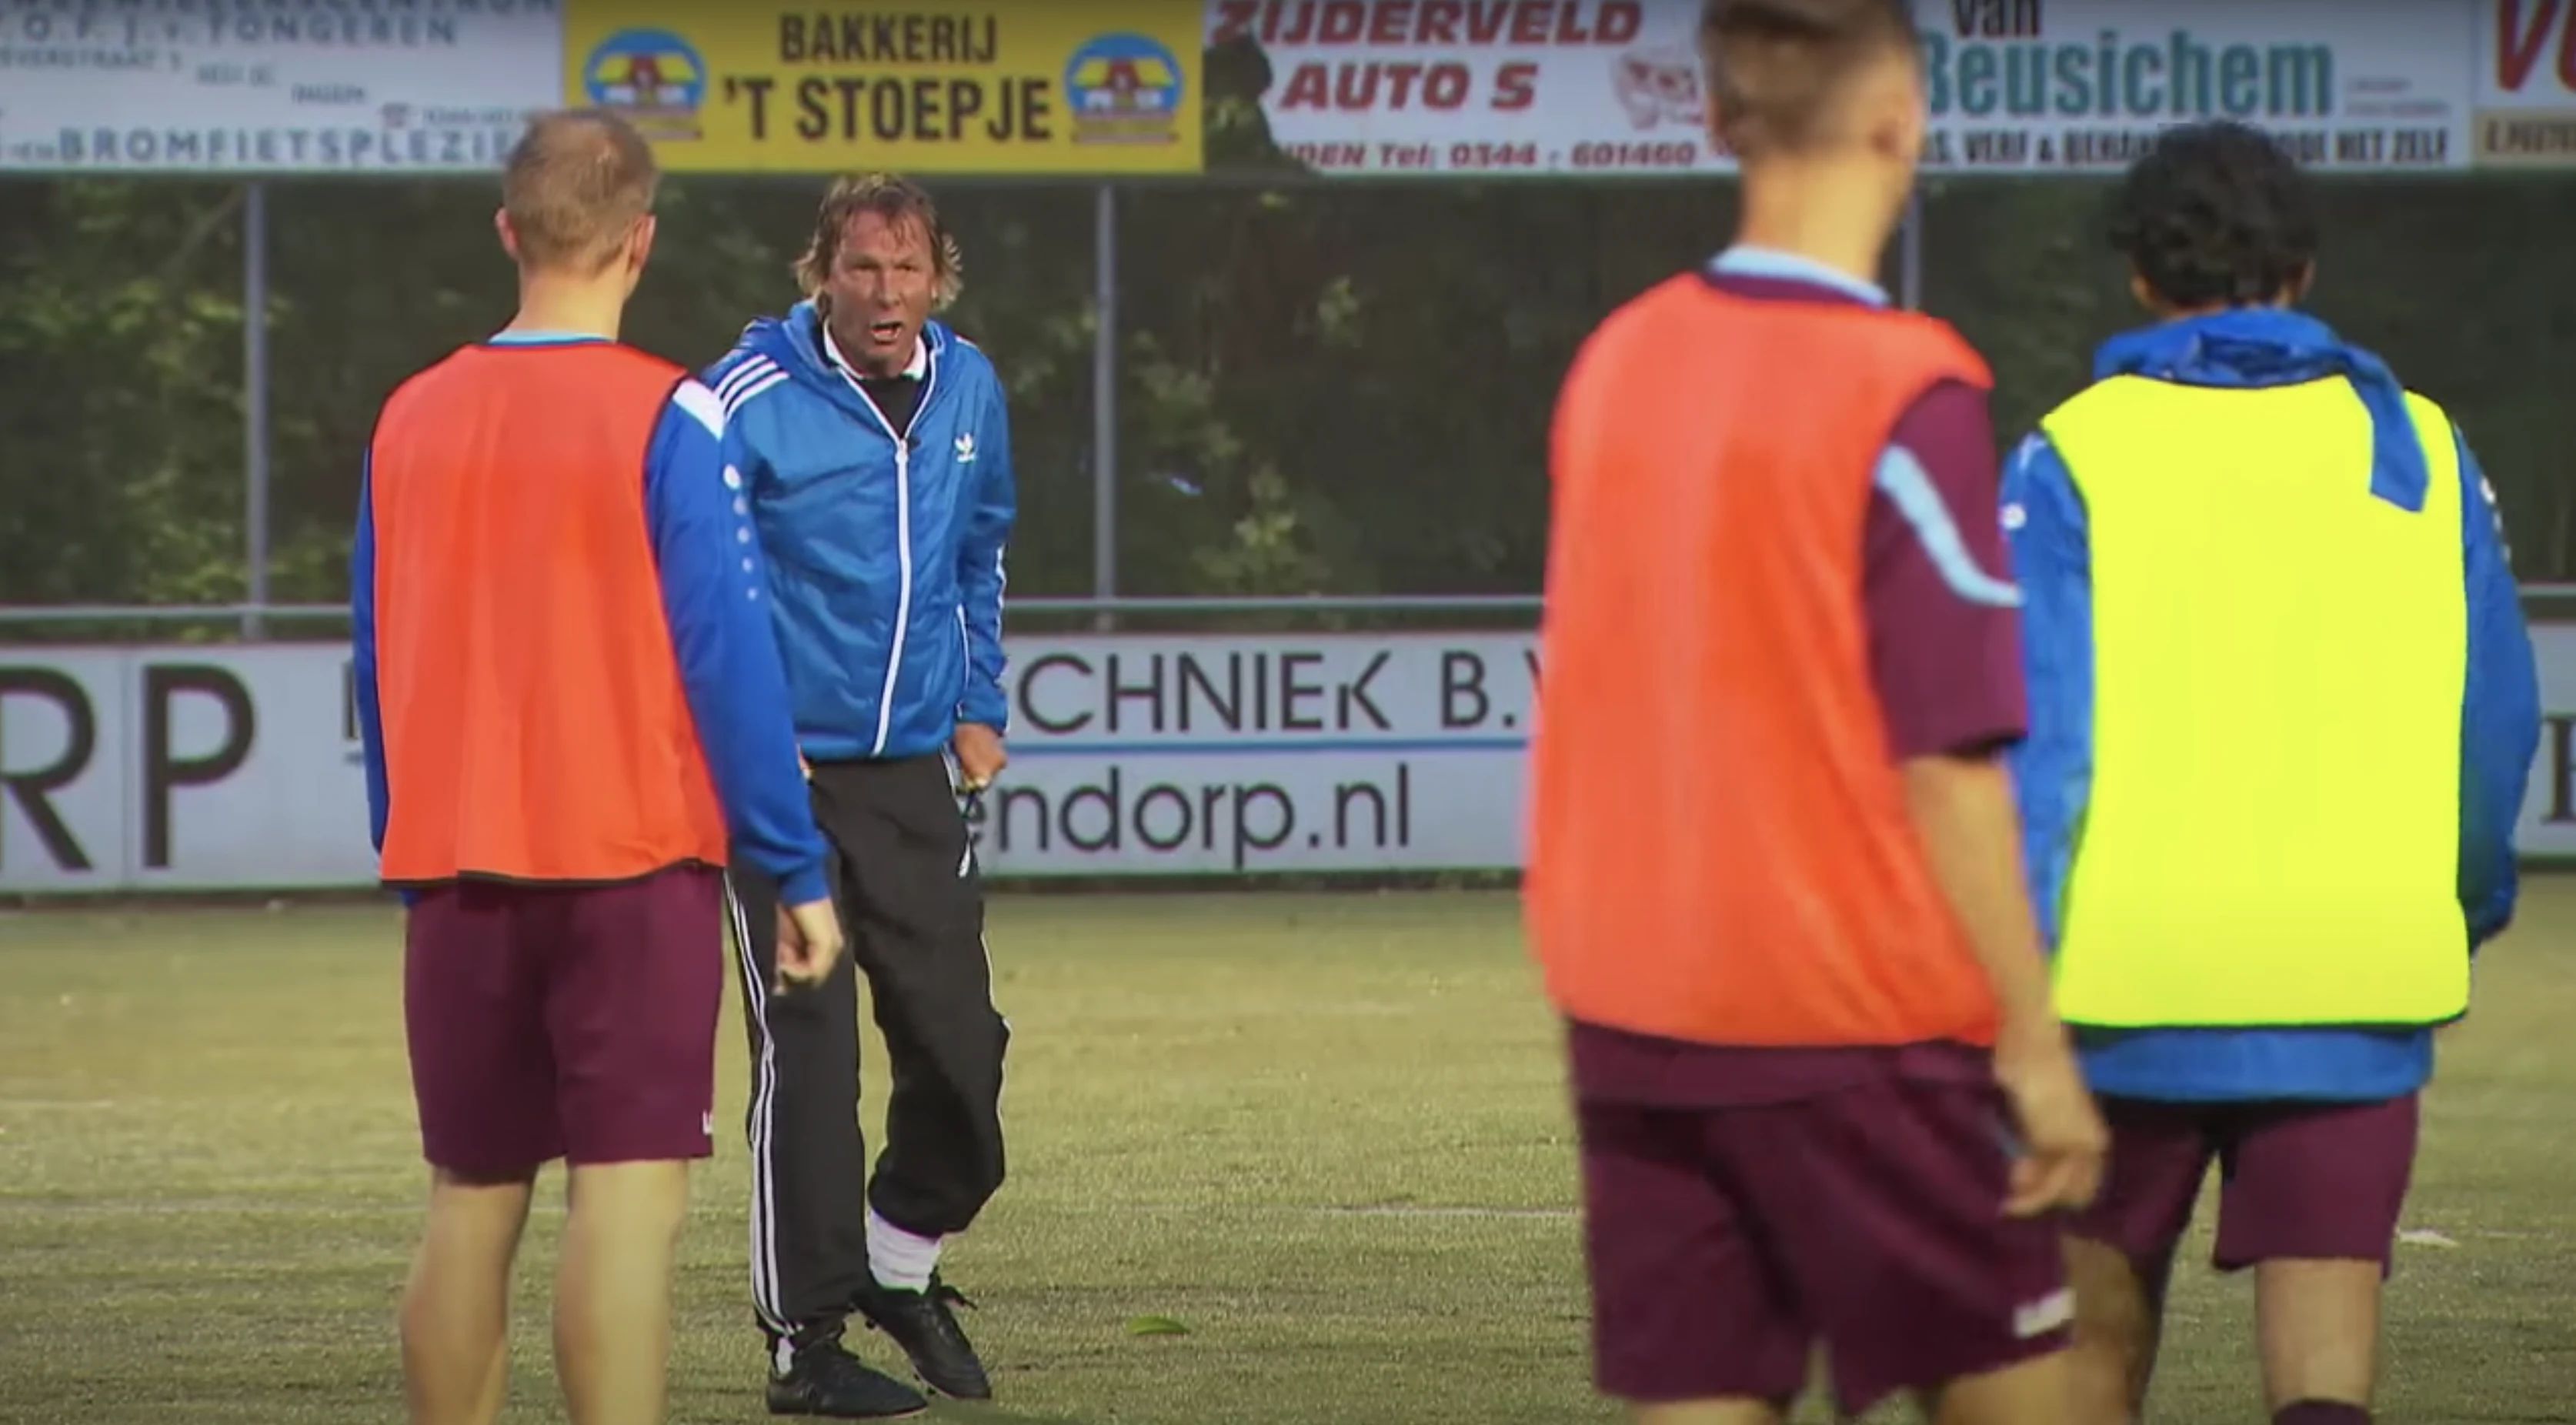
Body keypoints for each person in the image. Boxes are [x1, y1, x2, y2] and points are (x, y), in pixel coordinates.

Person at [1524, 2, 2107, 1423]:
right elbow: (1949, 760)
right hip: (1859, 1023)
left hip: (1638, 1015)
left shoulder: (1616, 363)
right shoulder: (1911, 390)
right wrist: (2035, 1049)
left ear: (1718, 121)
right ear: (1904, 117)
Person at [2001, 119, 2542, 1425]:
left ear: (2139, 276)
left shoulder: (2073, 451)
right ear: (2301, 268)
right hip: (2351, 980)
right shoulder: (2415, 447)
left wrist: (2011, 974)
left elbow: (2039, 741)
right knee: (2323, 1380)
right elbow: (2494, 723)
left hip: (2128, 992)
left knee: (2089, 1354)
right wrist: (2461, 902)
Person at [351, 109, 853, 1425]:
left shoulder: (410, 416)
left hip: (456, 870)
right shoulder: (671, 413)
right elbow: (730, 660)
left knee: (470, 1201)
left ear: (509, 231)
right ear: (642, 241)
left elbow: (375, 661)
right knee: (625, 1204)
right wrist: (794, 865)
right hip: (632, 870)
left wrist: (404, 851)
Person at [705, 172, 1016, 1417]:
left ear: (940, 277)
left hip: (909, 777)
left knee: (962, 1048)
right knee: (814, 1053)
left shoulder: (970, 386)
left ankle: (900, 1264)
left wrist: (977, 698)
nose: (886, 294)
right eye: (862, 268)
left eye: (908, 270)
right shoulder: (745, 398)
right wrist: (740, 733)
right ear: (818, 274)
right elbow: (696, 577)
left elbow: (981, 548)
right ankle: (805, 1343)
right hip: (781, 785)